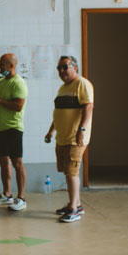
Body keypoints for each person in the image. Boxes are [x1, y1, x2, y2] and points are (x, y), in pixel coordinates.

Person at [44, 55, 94, 223]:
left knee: (72, 172)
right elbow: (58, 114)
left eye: (65, 67)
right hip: (62, 137)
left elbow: (88, 107)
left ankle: (73, 209)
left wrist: (81, 129)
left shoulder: (82, 84)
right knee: (67, 171)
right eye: (59, 68)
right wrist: (50, 132)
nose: (62, 71)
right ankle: (76, 204)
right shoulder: (62, 88)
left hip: (75, 138)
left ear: (75, 68)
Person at [0, 54, 28, 210]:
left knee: (17, 163)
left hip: (13, 128)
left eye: (2, 64)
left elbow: (18, 106)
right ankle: (7, 194)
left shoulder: (18, 83)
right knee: (3, 162)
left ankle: (21, 198)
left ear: (11, 66)